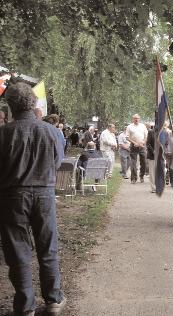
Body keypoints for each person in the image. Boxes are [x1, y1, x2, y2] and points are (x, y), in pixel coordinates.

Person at [0, 83, 66, 315]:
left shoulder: (3, 133)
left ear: (10, 106)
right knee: (48, 248)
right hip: (44, 194)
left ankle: (25, 306)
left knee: (18, 251)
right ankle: (54, 300)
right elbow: (57, 162)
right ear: (34, 103)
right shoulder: (51, 132)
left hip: (11, 197)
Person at [126, 114, 148, 183]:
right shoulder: (129, 127)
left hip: (142, 146)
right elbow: (127, 137)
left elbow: (146, 136)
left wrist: (143, 142)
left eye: (138, 118)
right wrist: (134, 142)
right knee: (133, 163)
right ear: (133, 119)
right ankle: (133, 178)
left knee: (144, 162)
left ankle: (141, 176)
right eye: (135, 118)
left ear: (139, 119)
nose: (136, 119)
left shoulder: (143, 126)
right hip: (133, 146)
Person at [146, 123, 156, 193]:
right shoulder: (151, 132)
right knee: (152, 172)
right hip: (152, 155)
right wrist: (153, 151)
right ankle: (153, 188)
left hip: (161, 155)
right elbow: (148, 144)